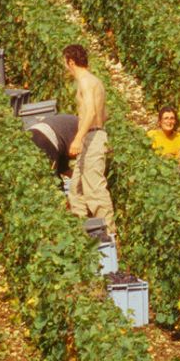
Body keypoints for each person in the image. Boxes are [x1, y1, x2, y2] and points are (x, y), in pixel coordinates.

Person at [64, 44, 113, 226]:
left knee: (94, 191)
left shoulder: (85, 81)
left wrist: (78, 138)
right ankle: (83, 232)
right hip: (92, 137)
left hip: (92, 138)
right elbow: (104, 114)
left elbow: (91, 112)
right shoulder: (95, 81)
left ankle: (109, 236)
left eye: (65, 63)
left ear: (71, 62)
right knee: (76, 189)